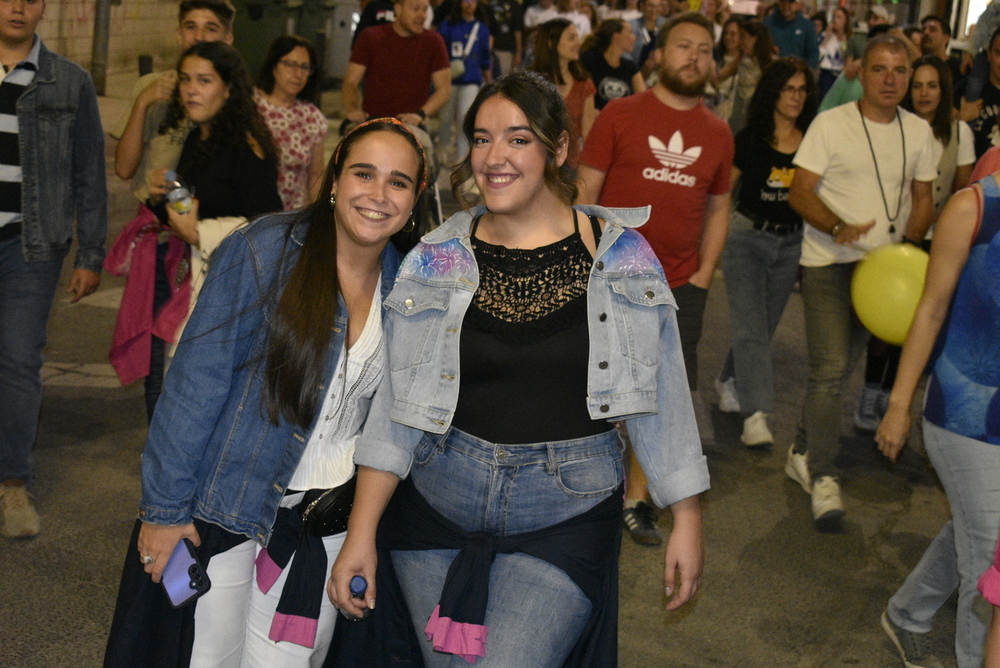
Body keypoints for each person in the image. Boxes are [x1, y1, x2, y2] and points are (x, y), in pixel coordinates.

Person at [329, 71, 708, 666]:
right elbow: (396, 410)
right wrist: (361, 532)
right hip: (435, 505)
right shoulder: (437, 257)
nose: (494, 157)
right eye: (481, 139)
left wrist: (685, 514)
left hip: (566, 511)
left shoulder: (620, 253)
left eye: (518, 139)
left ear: (558, 149)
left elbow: (662, 393)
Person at [103, 118, 428, 667]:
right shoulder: (264, 250)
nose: (377, 194)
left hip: (324, 526)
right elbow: (193, 387)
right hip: (220, 512)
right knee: (204, 657)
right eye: (363, 173)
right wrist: (161, 513)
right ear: (333, 180)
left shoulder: (412, 287)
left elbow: (393, 422)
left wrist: (363, 532)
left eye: (398, 182)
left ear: (416, 197)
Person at [577, 12, 732, 545]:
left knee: (661, 393)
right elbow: (585, 193)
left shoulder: (717, 132)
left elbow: (718, 207)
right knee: (596, 383)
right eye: (683, 46)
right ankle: (585, 487)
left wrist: (705, 274)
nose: (694, 56)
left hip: (680, 284)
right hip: (610, 278)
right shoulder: (619, 114)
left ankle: (636, 497)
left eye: (705, 48)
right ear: (658, 56)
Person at [786, 34, 937, 531]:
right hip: (830, 260)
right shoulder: (832, 124)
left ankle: (805, 448)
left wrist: (908, 250)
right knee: (831, 367)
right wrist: (836, 227)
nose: (890, 79)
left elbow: (922, 199)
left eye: (899, 70)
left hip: (884, 274)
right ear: (862, 73)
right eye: (879, 69)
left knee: (844, 365)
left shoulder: (919, 133)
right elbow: (800, 191)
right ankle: (825, 478)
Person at [106, 42, 283, 423]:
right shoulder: (198, 136)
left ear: (229, 89)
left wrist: (200, 232)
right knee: (168, 385)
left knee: (200, 399)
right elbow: (197, 206)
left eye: (204, 81)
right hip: (188, 280)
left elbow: (269, 229)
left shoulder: (247, 147)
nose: (191, 90)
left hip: (228, 296)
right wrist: (164, 197)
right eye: (186, 80)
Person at [875, 165, 1000, 668]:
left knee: (974, 529)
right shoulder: (973, 208)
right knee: (988, 563)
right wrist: (899, 405)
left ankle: (907, 613)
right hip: (963, 416)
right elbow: (929, 309)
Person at [0, 0, 107, 538]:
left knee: (18, 360)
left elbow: (90, 170)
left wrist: (92, 254)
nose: (18, 6)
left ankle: (12, 483)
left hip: (31, 243)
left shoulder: (71, 80)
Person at [714, 58, 817, 449]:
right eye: (788, 88)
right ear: (773, 91)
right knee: (751, 328)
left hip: (791, 242)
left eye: (802, 89)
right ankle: (756, 415)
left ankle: (728, 379)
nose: (795, 97)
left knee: (762, 327)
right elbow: (725, 192)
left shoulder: (812, 138)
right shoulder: (750, 137)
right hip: (747, 239)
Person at [112, 0, 235, 203]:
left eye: (210, 29)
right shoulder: (151, 86)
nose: (199, 37)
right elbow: (124, 169)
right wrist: (142, 103)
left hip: (212, 219)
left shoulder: (236, 96)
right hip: (156, 215)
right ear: (179, 34)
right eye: (190, 27)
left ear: (227, 39)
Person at [343, 0, 451, 129]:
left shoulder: (434, 41)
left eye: (425, 9)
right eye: (416, 9)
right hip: (373, 120)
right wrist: (353, 110)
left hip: (411, 122)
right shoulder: (371, 37)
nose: (422, 15)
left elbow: (444, 89)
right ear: (398, 10)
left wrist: (420, 114)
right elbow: (351, 82)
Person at [254, 36, 329, 211]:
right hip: (251, 211)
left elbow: (316, 175)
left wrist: (315, 217)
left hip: (292, 214)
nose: (298, 74)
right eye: (290, 65)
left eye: (304, 67)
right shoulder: (252, 106)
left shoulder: (311, 117)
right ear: (273, 66)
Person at [529, 18, 597, 162]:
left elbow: (588, 136)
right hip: (534, 162)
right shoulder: (529, 83)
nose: (579, 43)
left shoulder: (584, 84)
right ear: (551, 43)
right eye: (572, 38)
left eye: (578, 37)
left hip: (570, 167)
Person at [438, 0, 492, 162]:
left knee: (465, 117)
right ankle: (442, 152)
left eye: (473, 1)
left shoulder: (481, 29)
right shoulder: (448, 25)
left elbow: (485, 58)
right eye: (466, 0)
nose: (469, 4)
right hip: (449, 80)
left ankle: (463, 156)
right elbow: (439, 52)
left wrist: (489, 81)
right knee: (445, 118)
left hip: (471, 79)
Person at [720, 20, 774, 134]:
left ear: (755, 39)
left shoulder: (771, 65)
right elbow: (719, 78)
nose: (741, 42)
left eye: (744, 37)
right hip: (738, 114)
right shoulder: (740, 60)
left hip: (758, 117)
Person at [954, 26, 1000, 159]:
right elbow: (943, 135)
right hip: (968, 171)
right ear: (989, 54)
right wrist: (961, 118)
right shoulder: (966, 88)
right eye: (999, 53)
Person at [580, 18, 646, 109]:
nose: (634, 37)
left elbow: (643, 99)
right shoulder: (589, 59)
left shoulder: (630, 66)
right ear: (616, 36)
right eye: (630, 32)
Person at [763, 0, 818, 68]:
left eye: (790, 2)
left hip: (797, 73)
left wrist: (805, 72)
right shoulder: (767, 24)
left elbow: (813, 52)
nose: (786, 6)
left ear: (798, 4)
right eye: (783, 2)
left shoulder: (806, 26)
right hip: (773, 72)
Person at [920, 15, 964, 90]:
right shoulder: (918, 65)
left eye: (932, 30)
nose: (926, 32)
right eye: (923, 29)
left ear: (946, 38)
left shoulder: (958, 68)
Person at [484, 0, 524, 75]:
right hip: (497, 50)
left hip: (509, 50)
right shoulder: (488, 5)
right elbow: (490, 31)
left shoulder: (514, 4)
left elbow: (518, 29)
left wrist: (518, 52)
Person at [817, 7, 850, 98]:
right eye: (834, 17)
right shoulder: (825, 36)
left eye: (839, 17)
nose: (835, 20)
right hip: (826, 74)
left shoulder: (849, 39)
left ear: (846, 21)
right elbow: (817, 56)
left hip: (841, 75)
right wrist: (826, 39)